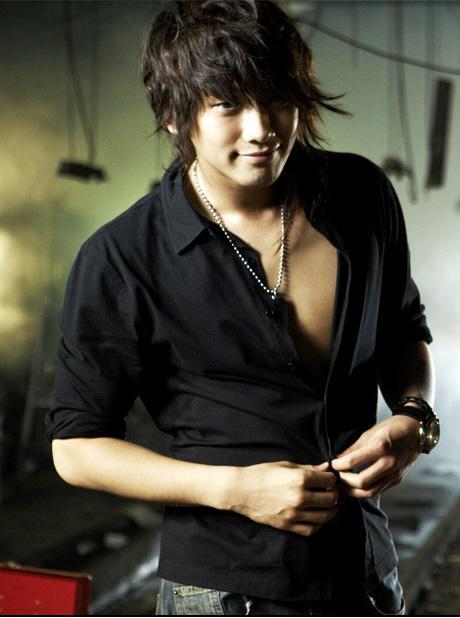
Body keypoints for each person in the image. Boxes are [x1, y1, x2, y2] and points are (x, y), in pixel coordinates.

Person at [46, 1, 439, 615]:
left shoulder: (361, 195)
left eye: (277, 99)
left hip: (365, 569)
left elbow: (402, 329)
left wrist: (415, 417)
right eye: (228, 104)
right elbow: (76, 448)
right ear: (176, 116)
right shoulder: (123, 257)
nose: (261, 128)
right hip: (224, 590)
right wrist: (234, 489)